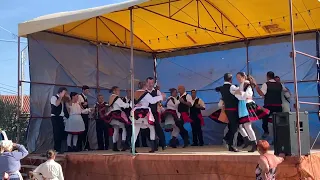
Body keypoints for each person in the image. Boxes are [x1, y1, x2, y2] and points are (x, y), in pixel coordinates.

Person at [234, 72, 270, 152]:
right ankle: (250, 142)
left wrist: (239, 93)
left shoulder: (246, 84)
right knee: (244, 125)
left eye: (239, 77)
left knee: (246, 126)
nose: (238, 79)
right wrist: (239, 94)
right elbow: (241, 96)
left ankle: (253, 143)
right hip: (243, 105)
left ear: (244, 77)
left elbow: (247, 95)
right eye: (237, 78)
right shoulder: (243, 84)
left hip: (246, 105)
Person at [132, 81, 165, 153]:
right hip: (144, 112)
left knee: (136, 130)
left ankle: (132, 147)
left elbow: (131, 103)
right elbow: (152, 101)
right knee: (152, 127)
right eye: (147, 85)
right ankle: (153, 146)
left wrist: (135, 105)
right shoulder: (145, 93)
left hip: (136, 112)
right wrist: (161, 97)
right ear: (144, 86)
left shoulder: (135, 93)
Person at [255, 71, 287, 139]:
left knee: (263, 116)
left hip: (269, 106)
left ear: (267, 76)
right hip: (278, 106)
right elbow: (285, 90)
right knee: (278, 121)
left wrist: (257, 88)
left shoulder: (266, 84)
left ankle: (266, 131)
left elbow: (261, 94)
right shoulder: (280, 84)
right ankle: (280, 135)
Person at [104, 86, 131, 152]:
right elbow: (123, 105)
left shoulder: (111, 97)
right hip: (117, 114)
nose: (119, 92)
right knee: (124, 127)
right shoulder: (116, 98)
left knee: (116, 129)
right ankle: (123, 143)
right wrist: (130, 104)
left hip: (112, 115)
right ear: (114, 91)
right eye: (118, 90)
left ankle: (114, 145)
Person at [146, 77, 166, 150]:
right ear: (146, 83)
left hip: (154, 112)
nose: (151, 84)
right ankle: (154, 145)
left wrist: (161, 108)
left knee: (157, 127)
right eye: (149, 83)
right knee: (147, 129)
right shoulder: (144, 92)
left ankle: (163, 144)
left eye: (152, 83)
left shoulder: (157, 92)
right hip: (146, 113)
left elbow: (160, 101)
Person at [51, 87, 69, 153]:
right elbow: (56, 104)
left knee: (61, 133)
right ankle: (56, 149)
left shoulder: (63, 99)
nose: (65, 94)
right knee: (56, 133)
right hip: (55, 117)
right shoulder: (54, 97)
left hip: (61, 117)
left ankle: (60, 148)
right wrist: (60, 97)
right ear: (60, 92)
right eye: (64, 93)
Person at [78, 85, 90, 151]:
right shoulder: (80, 96)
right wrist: (83, 104)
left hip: (85, 115)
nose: (88, 92)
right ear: (83, 90)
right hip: (82, 115)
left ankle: (86, 146)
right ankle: (81, 146)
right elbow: (79, 105)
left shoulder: (85, 97)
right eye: (87, 90)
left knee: (86, 130)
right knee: (82, 130)